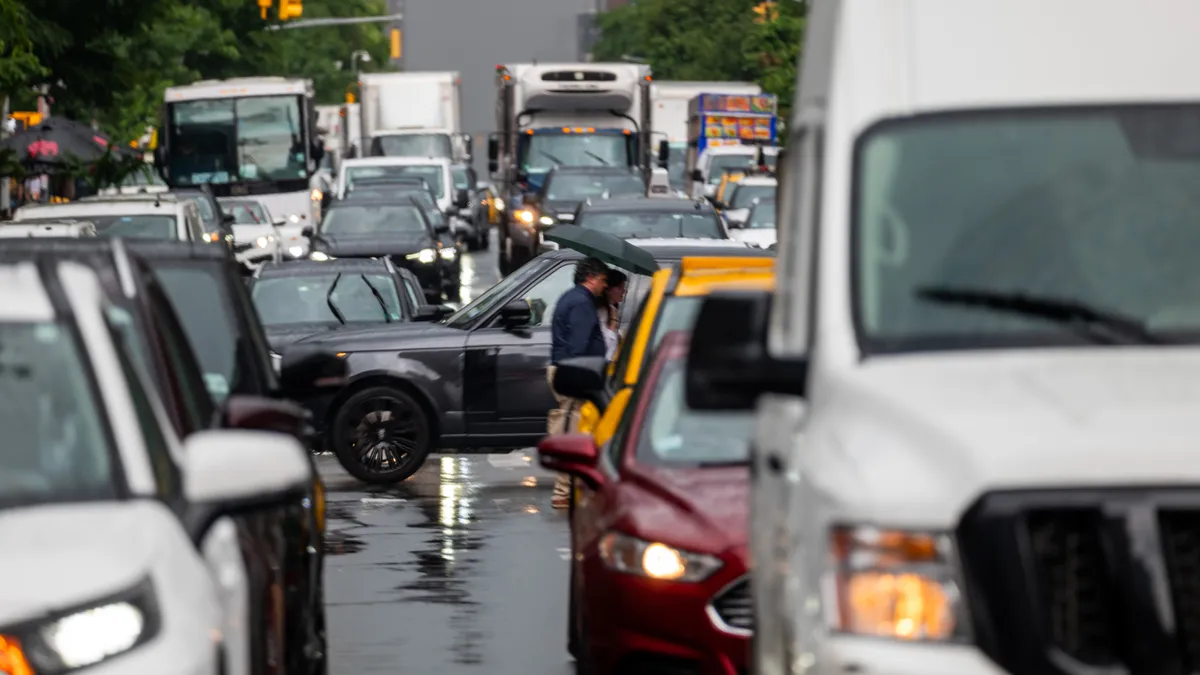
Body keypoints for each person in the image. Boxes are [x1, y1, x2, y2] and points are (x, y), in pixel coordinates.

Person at [547, 256, 609, 509]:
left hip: (567, 371)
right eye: (603, 280)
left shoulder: (572, 297)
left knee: (572, 429)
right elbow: (578, 346)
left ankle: (568, 489)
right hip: (572, 373)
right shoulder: (582, 303)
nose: (605, 286)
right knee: (571, 434)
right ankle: (563, 492)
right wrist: (580, 377)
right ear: (591, 278)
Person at [598, 269, 627, 361]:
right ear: (608, 289)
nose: (624, 291)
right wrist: (613, 322)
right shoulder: (600, 311)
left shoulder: (613, 310)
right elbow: (606, 342)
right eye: (620, 287)